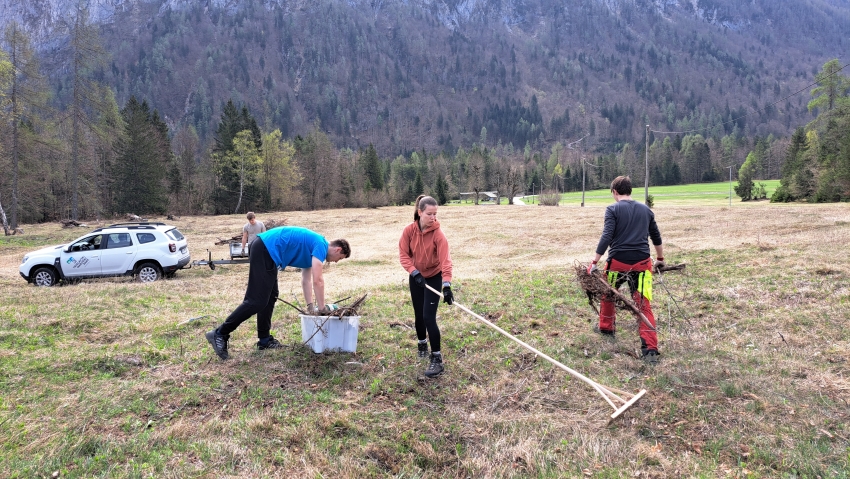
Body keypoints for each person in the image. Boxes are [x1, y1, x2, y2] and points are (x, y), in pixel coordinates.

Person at [206, 226, 351, 360]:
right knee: (256, 300)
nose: (337, 261)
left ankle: (264, 340)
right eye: (340, 258)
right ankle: (220, 333)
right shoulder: (321, 245)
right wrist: (322, 309)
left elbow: (306, 281)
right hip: (265, 248)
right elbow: (318, 281)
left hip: (266, 250)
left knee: (270, 296)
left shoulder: (314, 250)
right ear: (338, 250)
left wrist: (311, 307)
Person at [588, 176, 664, 364]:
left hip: (618, 263)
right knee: (643, 304)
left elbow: (607, 236)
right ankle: (650, 350)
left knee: (608, 294)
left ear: (615, 192)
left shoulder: (612, 209)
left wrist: (594, 261)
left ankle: (606, 328)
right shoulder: (646, 210)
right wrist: (660, 259)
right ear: (629, 191)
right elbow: (656, 236)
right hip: (642, 264)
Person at [399, 195, 454, 378]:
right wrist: (414, 272)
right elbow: (404, 255)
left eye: (435, 214)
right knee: (418, 315)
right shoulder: (409, 231)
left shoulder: (439, 235)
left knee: (428, 317)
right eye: (430, 214)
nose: (433, 218)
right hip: (416, 277)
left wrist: (446, 285)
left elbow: (446, 261)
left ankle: (437, 359)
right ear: (420, 212)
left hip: (433, 277)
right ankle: (422, 343)